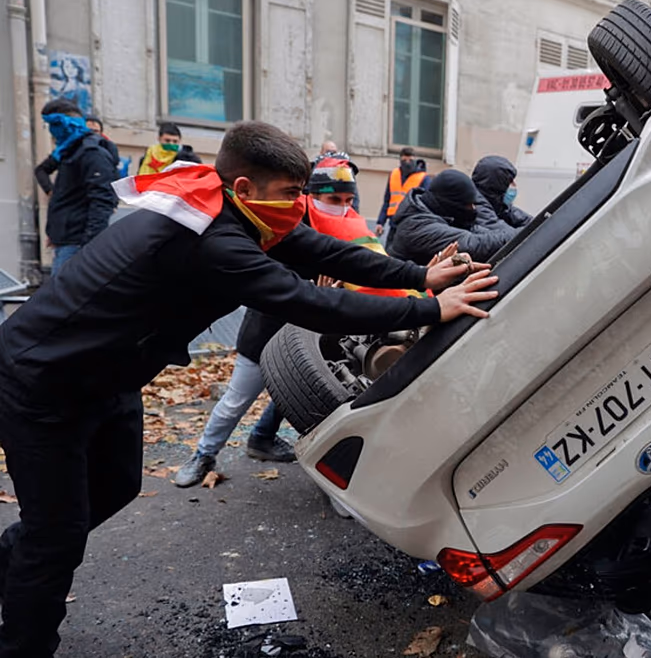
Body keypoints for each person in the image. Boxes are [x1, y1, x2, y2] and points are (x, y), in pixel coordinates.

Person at [0, 121, 497, 656]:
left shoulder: (231, 207)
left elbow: (323, 251)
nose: (300, 203)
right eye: (291, 192)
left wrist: (418, 276)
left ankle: (14, 559)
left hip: (106, 378)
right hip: (41, 382)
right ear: (245, 188)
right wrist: (428, 308)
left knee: (115, 488)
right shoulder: (211, 240)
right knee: (58, 537)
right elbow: (307, 301)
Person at [175, 156, 432, 487]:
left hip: (313, 337)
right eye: (333, 200)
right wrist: (314, 290)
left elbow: (366, 264)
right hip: (266, 333)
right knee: (236, 401)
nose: (342, 207)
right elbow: (271, 280)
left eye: (348, 200)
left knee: (301, 393)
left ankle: (263, 438)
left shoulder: (349, 225)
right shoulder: (282, 223)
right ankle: (204, 455)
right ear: (311, 195)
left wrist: (421, 281)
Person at [36, 98, 119, 276]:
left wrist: (88, 245)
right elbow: (67, 196)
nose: (51, 132)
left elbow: (102, 200)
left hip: (78, 244)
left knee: (64, 300)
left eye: (54, 125)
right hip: (66, 241)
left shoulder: (91, 153)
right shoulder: (69, 152)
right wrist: (56, 232)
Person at [387, 169, 519, 265]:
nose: (474, 209)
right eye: (469, 204)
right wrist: (527, 233)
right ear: (451, 204)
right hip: (410, 296)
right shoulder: (417, 226)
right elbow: (473, 245)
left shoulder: (439, 213)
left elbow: (476, 230)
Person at [376, 146, 430, 237]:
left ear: (415, 161)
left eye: (410, 160)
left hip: (411, 225)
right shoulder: (394, 175)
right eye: (404, 161)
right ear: (400, 161)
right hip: (394, 224)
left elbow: (426, 205)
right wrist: (380, 222)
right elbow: (387, 201)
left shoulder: (423, 179)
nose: (407, 163)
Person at [471, 155, 533, 230]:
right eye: (509, 181)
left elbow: (520, 217)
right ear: (496, 184)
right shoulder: (475, 205)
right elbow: (503, 233)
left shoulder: (495, 201)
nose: (514, 185)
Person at [136, 122, 202, 175]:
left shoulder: (188, 157)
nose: (171, 144)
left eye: (175, 141)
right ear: (159, 139)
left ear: (179, 141)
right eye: (167, 141)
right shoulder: (149, 155)